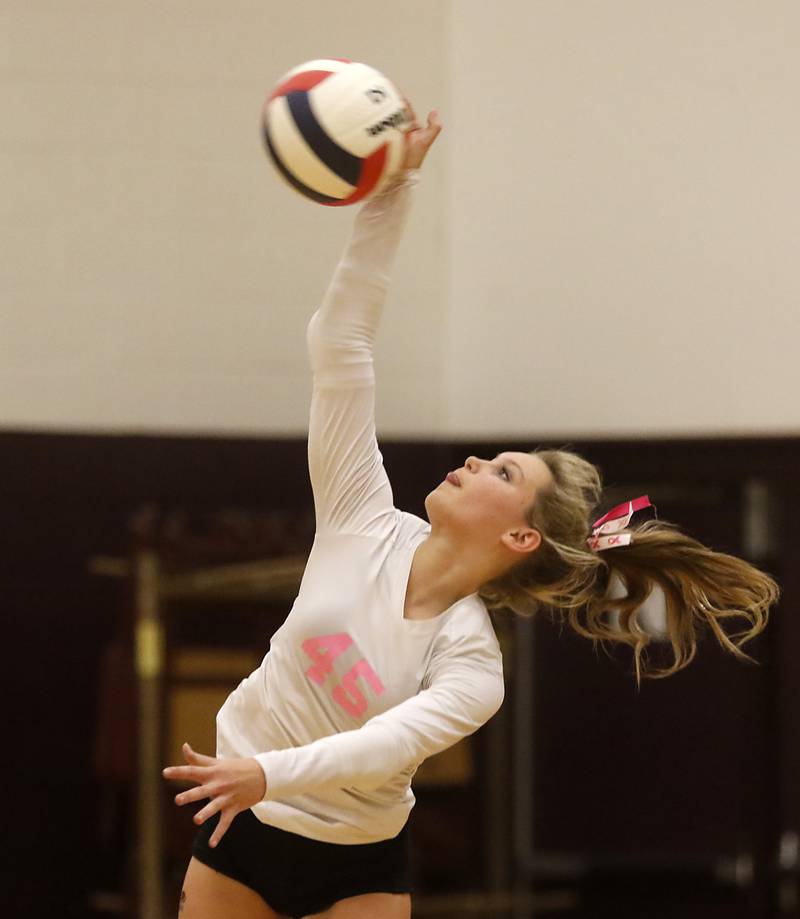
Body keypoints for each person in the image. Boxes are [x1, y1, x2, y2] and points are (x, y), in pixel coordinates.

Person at [163, 103, 780, 919]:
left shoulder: (473, 667)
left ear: (522, 533)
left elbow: (382, 746)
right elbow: (339, 338)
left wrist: (269, 772)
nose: (471, 461)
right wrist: (396, 188)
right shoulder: (360, 517)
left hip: (353, 857)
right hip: (241, 818)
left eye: (500, 469)